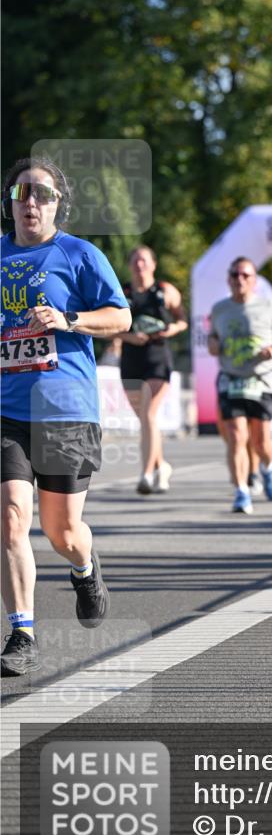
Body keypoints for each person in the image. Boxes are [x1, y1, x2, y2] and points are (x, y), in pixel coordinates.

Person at [1, 156, 131, 677]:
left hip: (65, 412)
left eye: (43, 194)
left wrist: (69, 319)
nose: (31, 202)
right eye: (21, 192)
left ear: (58, 203)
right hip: (6, 410)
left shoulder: (79, 254)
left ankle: (83, 567)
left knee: (63, 531)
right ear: (9, 201)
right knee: (11, 518)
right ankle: (22, 632)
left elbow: (120, 316)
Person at [207, 257, 272, 513]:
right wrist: (213, 345)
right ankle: (241, 491)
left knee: (261, 441)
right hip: (231, 379)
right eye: (235, 275)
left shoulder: (269, 306)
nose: (240, 280)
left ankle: (268, 468)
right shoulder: (219, 308)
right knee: (235, 436)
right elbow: (213, 338)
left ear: (254, 280)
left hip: (261, 380)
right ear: (228, 279)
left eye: (245, 275)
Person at [118, 246, 187, 494]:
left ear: (153, 265)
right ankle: (162, 466)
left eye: (144, 261)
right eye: (135, 260)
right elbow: (109, 327)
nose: (139, 265)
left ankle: (146, 474)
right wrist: (127, 337)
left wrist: (172, 329)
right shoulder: (120, 293)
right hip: (131, 360)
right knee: (146, 420)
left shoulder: (165, 291)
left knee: (148, 415)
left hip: (158, 359)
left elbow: (182, 320)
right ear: (129, 265)